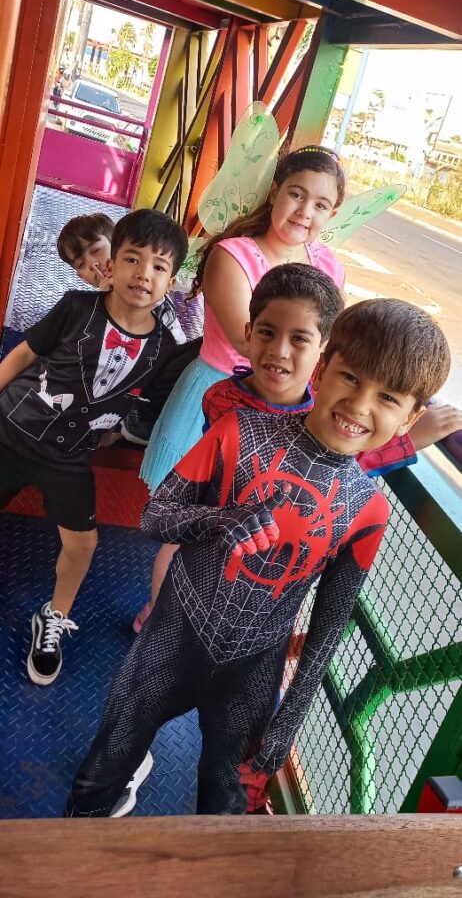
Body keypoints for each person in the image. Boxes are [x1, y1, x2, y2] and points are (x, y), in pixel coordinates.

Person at [66, 296, 450, 818]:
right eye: (350, 378)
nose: (359, 406)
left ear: (411, 418)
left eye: (387, 397)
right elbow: (155, 517)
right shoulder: (238, 431)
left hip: (253, 669)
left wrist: (289, 721)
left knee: (227, 804)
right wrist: (222, 521)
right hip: (171, 637)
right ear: (322, 369)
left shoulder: (369, 509)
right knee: (101, 772)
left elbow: (327, 628)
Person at [134, 145, 346, 629]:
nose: (305, 211)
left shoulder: (329, 265)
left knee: (255, 526)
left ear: (331, 213)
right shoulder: (233, 254)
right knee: (189, 528)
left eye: (320, 204)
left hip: (285, 410)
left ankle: (207, 622)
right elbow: (247, 342)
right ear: (275, 192)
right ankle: (158, 621)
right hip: (219, 399)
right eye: (296, 194)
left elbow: (335, 338)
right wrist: (310, 358)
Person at [0, 209, 188, 686]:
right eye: (132, 259)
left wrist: (118, 430)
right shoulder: (76, 306)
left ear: (170, 282)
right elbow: (25, 353)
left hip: (68, 457)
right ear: (114, 264)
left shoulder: (166, 346)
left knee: (83, 543)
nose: (143, 273)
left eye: (159, 266)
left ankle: (54, 618)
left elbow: (147, 403)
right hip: (12, 428)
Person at [57, 211, 201, 443]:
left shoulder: (145, 287)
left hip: (164, 376)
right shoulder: (83, 306)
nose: (93, 264)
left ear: (117, 246)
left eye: (96, 250)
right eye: (81, 264)